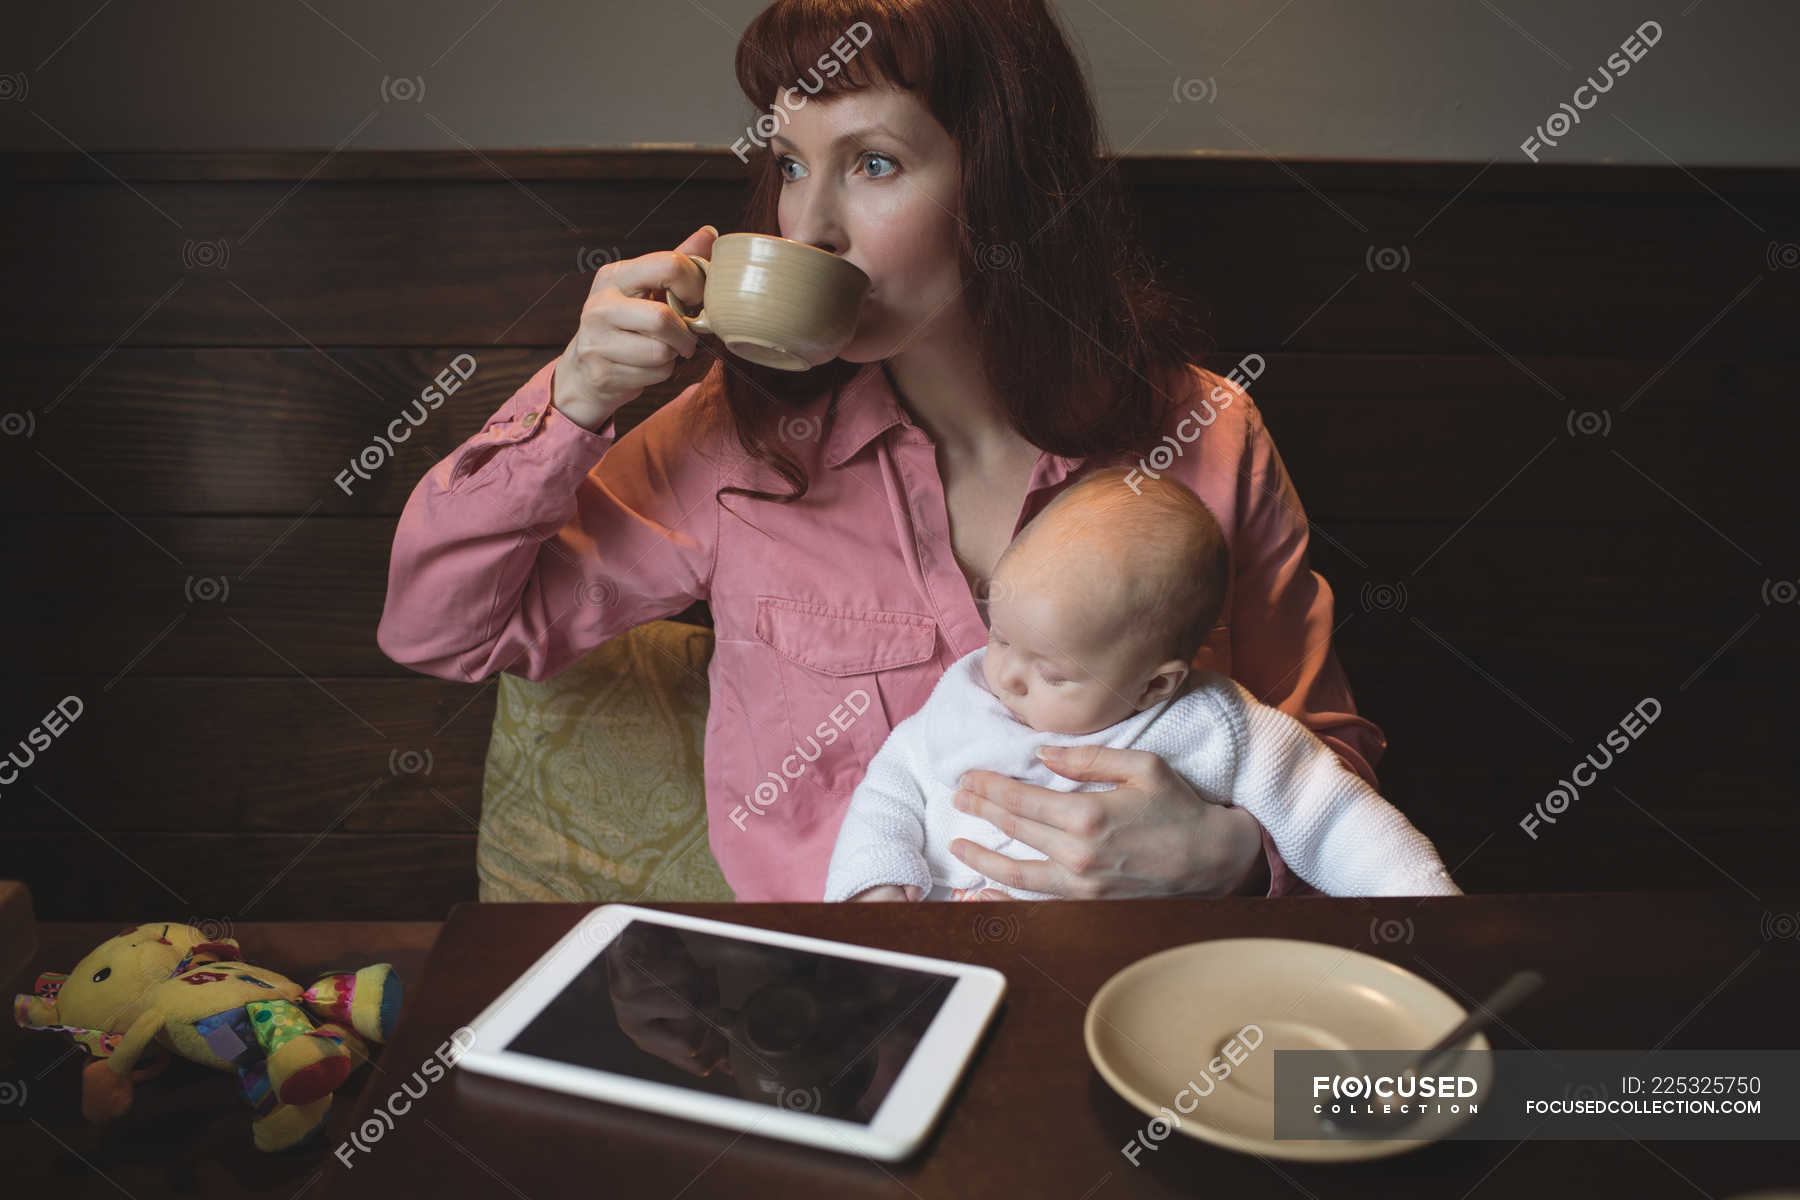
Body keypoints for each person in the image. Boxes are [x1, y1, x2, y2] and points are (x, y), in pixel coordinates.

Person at [376, 0, 1390, 902]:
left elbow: (1324, 765)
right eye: (787, 165)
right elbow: (442, 635)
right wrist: (573, 401)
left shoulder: (1203, 433)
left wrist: (1229, 859)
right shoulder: (737, 439)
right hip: (833, 1014)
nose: (806, 226)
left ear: (1006, 190)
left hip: (1137, 995)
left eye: (872, 164)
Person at [825, 468, 1459, 902]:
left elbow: (1333, 816)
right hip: (948, 944)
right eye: (1000, 638)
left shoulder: (1216, 724)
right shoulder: (967, 702)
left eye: (1052, 673)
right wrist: (877, 881)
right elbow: (890, 789)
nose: (1008, 677)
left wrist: (1428, 910)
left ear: (1156, 685)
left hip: (1133, 967)